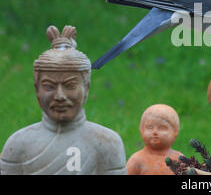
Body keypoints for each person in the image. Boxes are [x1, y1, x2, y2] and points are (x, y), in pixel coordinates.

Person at [0, 25, 127, 175]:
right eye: (49, 86)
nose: (60, 96)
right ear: (36, 89)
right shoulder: (19, 145)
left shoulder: (107, 143)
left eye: (70, 85)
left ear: (86, 87)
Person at [127, 104, 183, 175]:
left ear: (175, 132)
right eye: (150, 127)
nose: (155, 132)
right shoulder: (137, 160)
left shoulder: (179, 159)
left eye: (162, 128)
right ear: (141, 130)